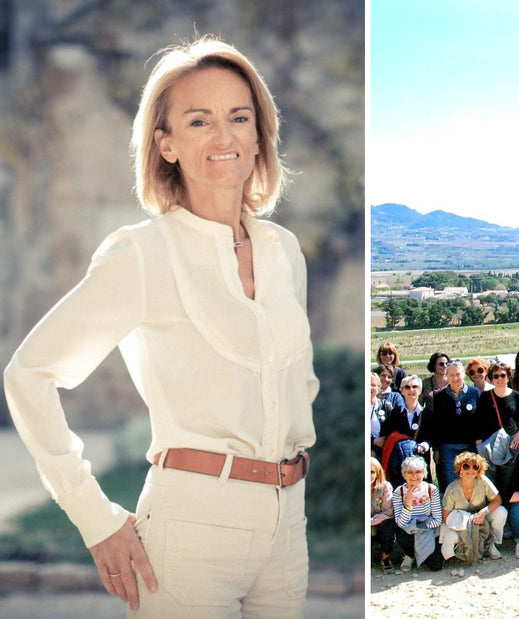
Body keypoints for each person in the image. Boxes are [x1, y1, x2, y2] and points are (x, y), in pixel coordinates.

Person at [3, 37, 314, 616]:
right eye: (199, 121)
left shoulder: (283, 250)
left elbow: (300, 386)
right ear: (165, 143)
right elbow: (29, 376)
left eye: (238, 117)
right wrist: (93, 516)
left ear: (258, 132)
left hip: (289, 524)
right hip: (190, 527)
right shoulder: (142, 254)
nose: (224, 137)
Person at [440, 452, 507, 563]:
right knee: (450, 535)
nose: (470, 470)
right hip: (460, 523)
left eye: (475, 467)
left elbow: (497, 500)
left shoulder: (483, 481)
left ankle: (492, 544)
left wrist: (483, 512)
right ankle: (465, 548)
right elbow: (446, 516)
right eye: (466, 466)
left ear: (478, 470)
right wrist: (469, 522)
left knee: (501, 512)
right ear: (460, 469)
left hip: (482, 519)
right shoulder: (452, 488)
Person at [425, 360, 481, 488]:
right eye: (451, 375)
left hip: (470, 446)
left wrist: (479, 443)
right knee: (452, 484)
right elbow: (437, 424)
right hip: (448, 448)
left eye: (458, 374)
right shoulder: (439, 397)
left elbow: (479, 420)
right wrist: (437, 448)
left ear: (464, 374)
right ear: (447, 376)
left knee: (471, 482)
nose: (455, 378)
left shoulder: (474, 393)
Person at [474, 362, 519, 487]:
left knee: (508, 481)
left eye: (502, 375)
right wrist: (479, 446)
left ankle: (506, 505)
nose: (499, 379)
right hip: (489, 445)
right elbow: (477, 422)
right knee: (490, 482)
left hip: (511, 443)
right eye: (496, 376)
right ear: (491, 379)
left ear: (508, 377)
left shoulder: (516, 396)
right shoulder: (486, 397)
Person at [393, 456, 444, 572]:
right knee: (403, 534)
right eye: (409, 473)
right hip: (407, 530)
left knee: (436, 566)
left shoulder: (431, 489)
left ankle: (421, 553)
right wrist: (408, 504)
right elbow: (401, 523)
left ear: (424, 474)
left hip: (427, 528)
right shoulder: (398, 492)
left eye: (418, 472)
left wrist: (420, 527)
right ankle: (409, 555)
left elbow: (437, 519)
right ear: (404, 475)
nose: (414, 476)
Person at [370, 457, 396, 573]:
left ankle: (385, 557)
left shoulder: (385, 486)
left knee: (387, 525)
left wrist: (371, 521)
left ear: (377, 473)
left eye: (372, 472)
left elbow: (389, 511)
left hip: (378, 522)